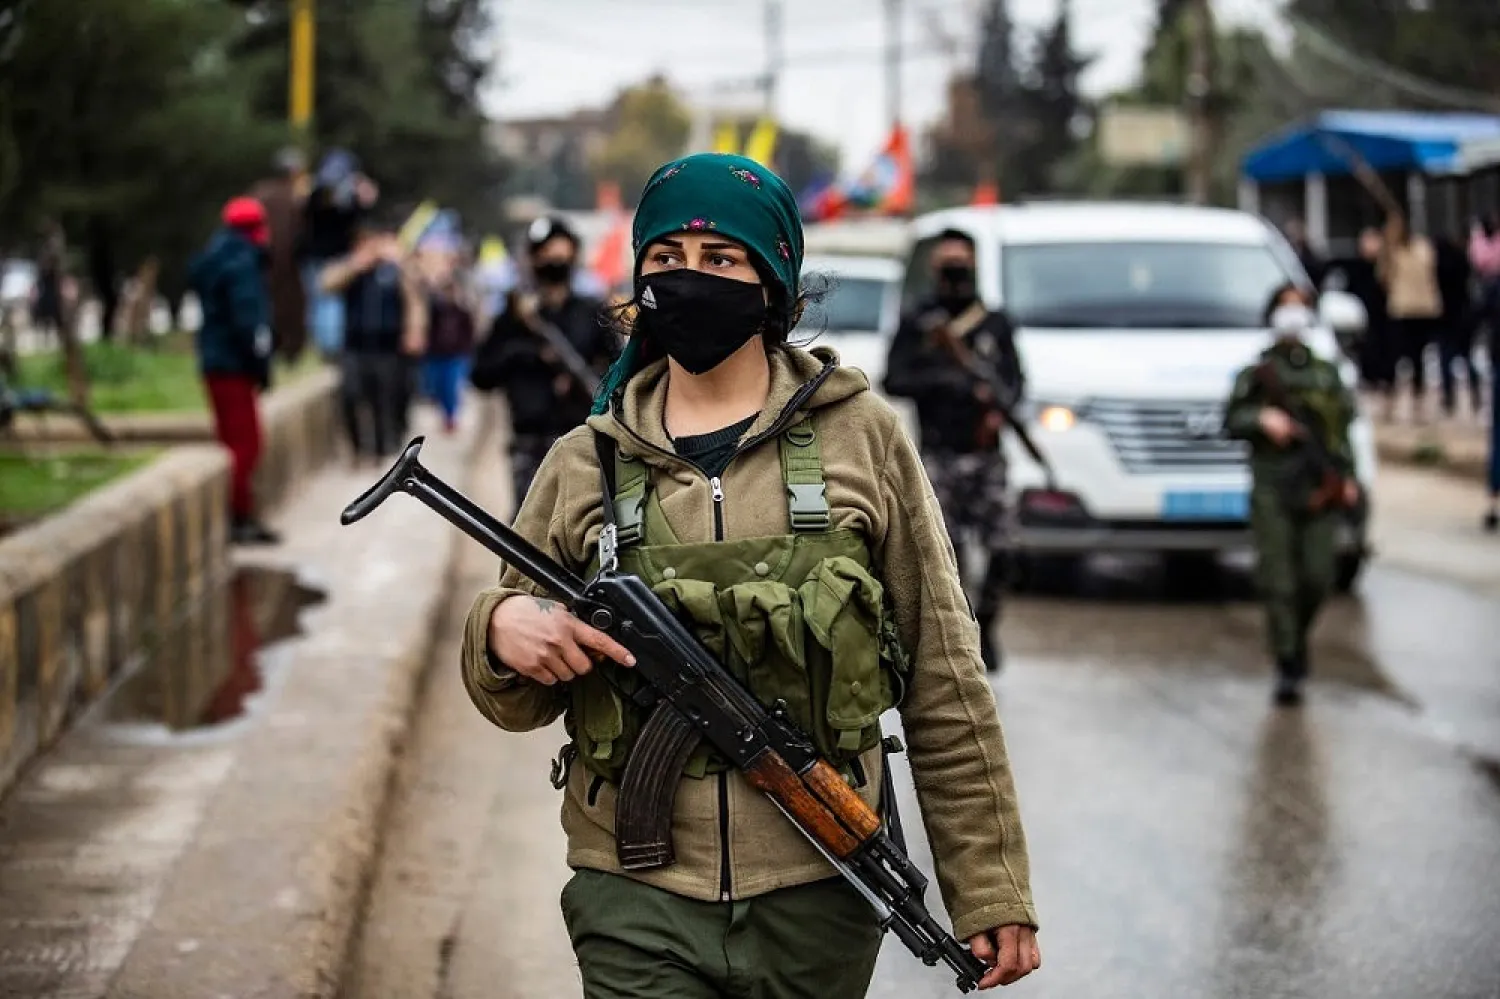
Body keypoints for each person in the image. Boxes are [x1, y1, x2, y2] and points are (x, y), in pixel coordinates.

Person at [458, 153, 1040, 996]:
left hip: (819, 892)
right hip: (634, 899)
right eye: (666, 258)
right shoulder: (585, 460)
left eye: (721, 258)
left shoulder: (861, 437)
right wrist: (498, 630)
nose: (689, 279)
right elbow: (514, 699)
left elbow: (944, 674)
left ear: (773, 285)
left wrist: (989, 886)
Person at [881, 229, 1025, 674]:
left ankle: (988, 624)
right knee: (949, 552)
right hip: (939, 455)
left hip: (986, 454)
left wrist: (998, 404)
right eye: (948, 263)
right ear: (934, 267)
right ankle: (963, 634)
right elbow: (894, 379)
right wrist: (948, 382)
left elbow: (1015, 382)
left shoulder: (993, 322)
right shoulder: (919, 322)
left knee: (1005, 547)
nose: (955, 272)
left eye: (961, 262)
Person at [1224, 284, 1361, 706]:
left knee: (1319, 576)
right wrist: (1261, 419)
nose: (1293, 314)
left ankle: (1294, 639)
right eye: (1285, 307)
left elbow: (1342, 430)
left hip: (1319, 487)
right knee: (1278, 579)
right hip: (1273, 486)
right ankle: (1287, 661)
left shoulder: (1326, 372)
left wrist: (1348, 477)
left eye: (1300, 307)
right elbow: (1231, 420)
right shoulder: (1259, 373)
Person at [469, 216, 617, 513]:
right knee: (528, 528)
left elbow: (619, 370)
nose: (555, 261)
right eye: (547, 254)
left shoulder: (592, 313)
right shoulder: (512, 318)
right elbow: (481, 376)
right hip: (529, 443)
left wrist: (582, 378)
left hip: (582, 441)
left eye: (561, 254)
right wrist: (527, 356)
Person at [187, 196, 279, 545]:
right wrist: (261, 364)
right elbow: (249, 321)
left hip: (215, 363)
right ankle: (239, 517)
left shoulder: (214, 258)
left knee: (230, 441)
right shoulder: (242, 263)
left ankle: (239, 513)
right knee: (247, 444)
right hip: (234, 365)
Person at [319, 218, 426, 466]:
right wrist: (356, 265)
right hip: (355, 344)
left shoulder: (394, 269)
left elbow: (415, 298)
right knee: (350, 395)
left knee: (385, 398)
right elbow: (327, 283)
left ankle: (381, 449)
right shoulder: (353, 269)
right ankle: (358, 448)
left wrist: (414, 331)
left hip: (387, 345)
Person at [299, 149, 379, 358]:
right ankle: (329, 349)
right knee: (325, 303)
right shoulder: (321, 193)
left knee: (327, 305)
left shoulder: (344, 194)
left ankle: (330, 348)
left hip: (335, 257)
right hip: (323, 258)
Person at [1378, 212, 1443, 423]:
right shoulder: (1401, 251)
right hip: (1408, 308)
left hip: (1415, 309)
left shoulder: (1417, 249)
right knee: (1401, 358)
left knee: (1412, 359)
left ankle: (1414, 405)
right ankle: (1399, 404)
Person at [250, 147, 309, 362]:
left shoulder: (259, 192)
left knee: (268, 304)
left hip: (264, 260)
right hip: (290, 262)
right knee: (291, 306)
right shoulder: (298, 195)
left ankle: (270, 348)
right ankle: (289, 350)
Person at [421, 270, 477, 434]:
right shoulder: (435, 311)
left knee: (451, 387)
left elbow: (469, 334)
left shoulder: (462, 313)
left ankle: (451, 417)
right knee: (438, 388)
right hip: (437, 355)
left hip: (456, 355)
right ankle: (445, 415)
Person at [1434, 231, 1481, 418]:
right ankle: (1475, 392)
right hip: (1463, 317)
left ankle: (1448, 398)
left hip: (1445, 319)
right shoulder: (1463, 262)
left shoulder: (1438, 269)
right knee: (1467, 359)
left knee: (1445, 360)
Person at [1283, 217, 1326, 289]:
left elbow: (1315, 271)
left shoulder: (1308, 254)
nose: (1292, 238)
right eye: (1289, 235)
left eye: (1293, 234)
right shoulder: (1286, 251)